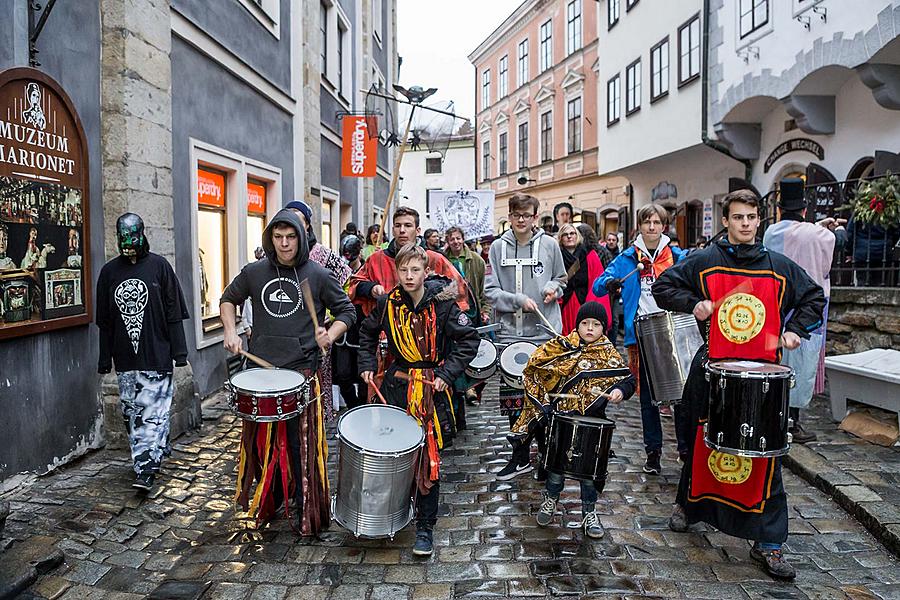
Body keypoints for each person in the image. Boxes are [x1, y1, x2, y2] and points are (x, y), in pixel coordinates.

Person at [653, 188, 825, 581]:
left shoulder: (780, 267)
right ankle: (690, 506)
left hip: (763, 374)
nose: (745, 223)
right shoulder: (704, 261)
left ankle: (769, 542)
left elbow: (813, 298)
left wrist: (796, 329)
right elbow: (663, 288)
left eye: (751, 217)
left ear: (758, 220)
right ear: (726, 220)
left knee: (764, 456)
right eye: (738, 217)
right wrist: (691, 303)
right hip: (713, 368)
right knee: (699, 442)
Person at [220, 209, 356, 534]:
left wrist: (330, 333)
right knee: (261, 442)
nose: (284, 244)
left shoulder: (318, 275)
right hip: (261, 375)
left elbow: (346, 310)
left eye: (290, 237)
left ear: (300, 237)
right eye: (278, 237)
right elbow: (228, 298)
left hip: (300, 373)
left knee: (300, 444)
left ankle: (303, 504)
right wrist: (229, 330)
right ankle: (272, 496)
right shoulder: (254, 272)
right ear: (271, 238)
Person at [359, 243, 479, 556]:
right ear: (395, 272)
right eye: (403, 270)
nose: (409, 276)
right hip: (397, 388)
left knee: (429, 460)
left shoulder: (442, 305)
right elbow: (367, 333)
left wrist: (447, 374)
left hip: (430, 392)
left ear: (426, 272)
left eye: (415, 270)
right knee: (396, 454)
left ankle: (425, 527)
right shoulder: (387, 303)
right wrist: (368, 367)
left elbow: (469, 340)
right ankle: (394, 514)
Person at [511, 302, 635, 538]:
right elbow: (538, 369)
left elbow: (628, 380)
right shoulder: (563, 346)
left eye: (596, 325)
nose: (589, 328)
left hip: (593, 422)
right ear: (577, 325)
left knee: (589, 476)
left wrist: (620, 391)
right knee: (556, 470)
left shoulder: (609, 354)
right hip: (563, 420)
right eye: (584, 323)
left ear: (604, 329)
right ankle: (550, 499)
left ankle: (589, 512)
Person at [96, 213, 190, 491]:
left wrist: (180, 353)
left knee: (153, 413)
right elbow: (105, 321)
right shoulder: (109, 273)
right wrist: (104, 359)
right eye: (122, 239)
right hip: (125, 359)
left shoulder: (160, 268)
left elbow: (173, 313)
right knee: (131, 412)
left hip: (158, 354)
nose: (128, 245)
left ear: (142, 234)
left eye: (132, 238)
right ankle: (156, 449)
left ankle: (145, 469)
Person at [593, 204, 689, 475]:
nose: (651, 227)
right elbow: (599, 284)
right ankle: (653, 452)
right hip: (642, 332)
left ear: (663, 226)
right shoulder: (627, 257)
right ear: (640, 226)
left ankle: (684, 450)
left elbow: (694, 279)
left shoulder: (676, 256)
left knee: (679, 396)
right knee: (648, 398)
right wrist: (611, 284)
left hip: (672, 331)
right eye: (647, 222)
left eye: (657, 222)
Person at [486, 193, 567, 480]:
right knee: (514, 400)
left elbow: (561, 278)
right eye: (516, 215)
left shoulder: (549, 244)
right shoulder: (496, 248)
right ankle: (519, 456)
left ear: (535, 217)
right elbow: (490, 291)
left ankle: (545, 456)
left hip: (544, 333)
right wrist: (517, 299)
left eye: (527, 215)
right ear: (510, 216)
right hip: (510, 334)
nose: (521, 220)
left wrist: (553, 289)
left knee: (545, 397)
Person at [763, 179, 836, 443]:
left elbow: (795, 236)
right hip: (808, 306)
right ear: (805, 211)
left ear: (780, 209)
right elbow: (827, 245)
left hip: (778, 304)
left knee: (778, 361)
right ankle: (793, 421)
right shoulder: (819, 235)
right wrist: (829, 228)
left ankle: (775, 416)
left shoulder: (771, 232)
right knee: (802, 366)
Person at [285, 200, 352, 422]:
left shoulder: (322, 253)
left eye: (299, 219)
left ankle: (316, 422)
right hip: (287, 331)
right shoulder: (279, 254)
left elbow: (346, 276)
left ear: (307, 226)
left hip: (316, 330)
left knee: (315, 381)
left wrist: (331, 312)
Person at [349, 206, 469, 319]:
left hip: (428, 332)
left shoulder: (434, 259)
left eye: (407, 225)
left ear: (417, 230)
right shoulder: (376, 259)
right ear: (393, 230)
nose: (402, 230)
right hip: (386, 331)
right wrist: (371, 288)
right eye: (398, 226)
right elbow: (354, 284)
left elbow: (460, 291)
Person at [445, 226, 490, 416]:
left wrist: (485, 311)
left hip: (472, 311)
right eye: (452, 239)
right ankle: (461, 388)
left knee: (474, 352)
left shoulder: (476, 261)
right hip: (451, 312)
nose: (455, 242)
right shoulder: (443, 260)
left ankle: (473, 387)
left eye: (458, 238)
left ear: (463, 239)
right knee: (455, 352)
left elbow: (482, 290)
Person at [332, 234, 368, 410]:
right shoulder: (339, 271)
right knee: (343, 374)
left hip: (362, 331)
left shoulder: (367, 270)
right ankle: (353, 406)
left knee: (364, 376)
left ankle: (362, 408)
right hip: (342, 332)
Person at [557, 224, 611, 335]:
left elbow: (597, 281)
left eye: (572, 233)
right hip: (563, 305)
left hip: (584, 303)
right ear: (561, 238)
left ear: (578, 236)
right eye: (565, 234)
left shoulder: (589, 255)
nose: (569, 236)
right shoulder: (557, 256)